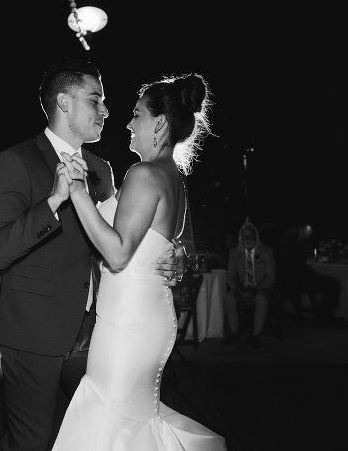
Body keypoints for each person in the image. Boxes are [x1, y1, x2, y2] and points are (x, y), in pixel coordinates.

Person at [0, 58, 188, 451]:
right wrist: (55, 199)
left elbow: (123, 235)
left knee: (96, 432)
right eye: (96, 100)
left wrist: (171, 250)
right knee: (36, 441)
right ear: (64, 103)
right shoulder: (16, 161)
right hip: (35, 331)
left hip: (96, 330)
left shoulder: (103, 170)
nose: (106, 111)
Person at [52, 73, 225, 449]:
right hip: (142, 319)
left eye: (136, 114)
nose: (128, 122)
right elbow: (169, 239)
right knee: (126, 422)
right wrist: (178, 253)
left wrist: (78, 193)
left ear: (159, 123)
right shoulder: (173, 177)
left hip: (127, 325)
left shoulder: (144, 174)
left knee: (111, 424)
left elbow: (117, 254)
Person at [221, 221, 276, 348]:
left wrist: (257, 289)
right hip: (242, 288)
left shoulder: (266, 252)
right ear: (241, 238)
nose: (248, 239)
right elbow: (230, 275)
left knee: (262, 299)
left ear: (256, 236)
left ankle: (256, 334)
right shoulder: (235, 253)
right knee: (229, 297)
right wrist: (237, 288)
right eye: (245, 236)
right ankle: (234, 333)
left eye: (250, 235)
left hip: (260, 288)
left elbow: (271, 277)